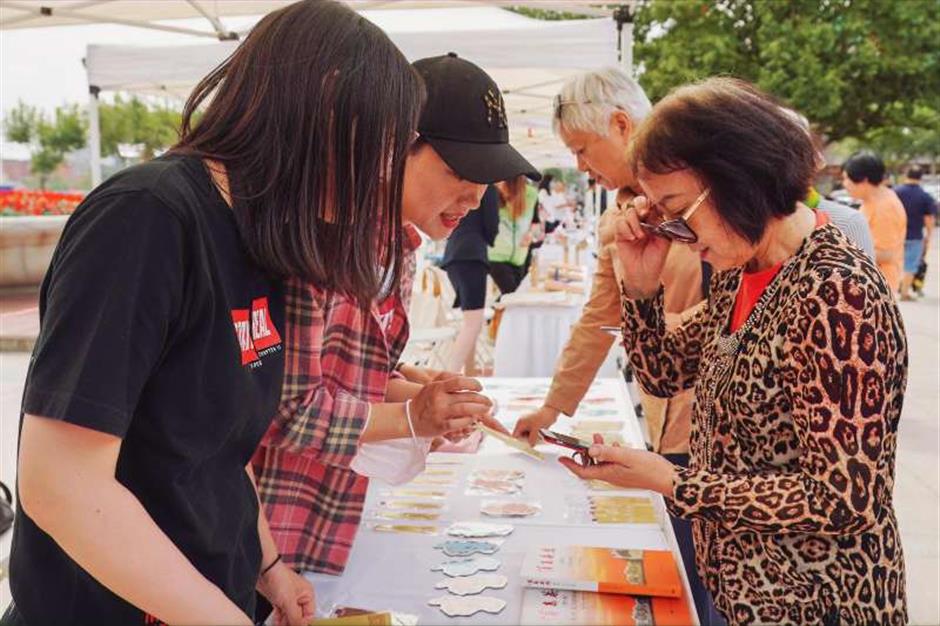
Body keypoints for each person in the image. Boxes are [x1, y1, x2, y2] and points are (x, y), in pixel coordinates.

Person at [3, 2, 429, 624]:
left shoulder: (259, 241)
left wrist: (269, 567)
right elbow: (62, 482)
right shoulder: (146, 219)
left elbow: (217, 446)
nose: (383, 176)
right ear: (326, 114)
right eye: (383, 149)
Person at [563, 77, 907, 625]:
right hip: (744, 587)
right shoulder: (742, 270)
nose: (674, 231)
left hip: (814, 600)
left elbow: (843, 499)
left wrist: (674, 480)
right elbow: (663, 373)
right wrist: (643, 291)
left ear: (735, 179)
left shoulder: (834, 291)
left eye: (676, 207)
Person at [252, 52, 540, 576]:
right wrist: (414, 415)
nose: (475, 198)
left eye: (485, 179)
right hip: (270, 528)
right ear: (391, 149)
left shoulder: (401, 246)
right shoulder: (313, 243)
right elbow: (283, 407)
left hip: (336, 514)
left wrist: (423, 395)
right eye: (457, 171)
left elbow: (353, 375)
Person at [512, 66, 717, 625]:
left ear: (622, 125)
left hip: (721, 437)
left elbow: (737, 317)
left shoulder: (708, 197)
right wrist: (554, 407)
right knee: (683, 573)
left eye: (582, 149)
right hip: (665, 428)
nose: (579, 166)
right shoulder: (622, 214)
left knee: (713, 582)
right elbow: (601, 315)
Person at [441, 185, 500, 373]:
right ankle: (449, 377)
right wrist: (489, 239)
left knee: (470, 321)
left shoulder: (461, 181)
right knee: (473, 323)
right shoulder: (487, 187)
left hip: (453, 254)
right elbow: (492, 224)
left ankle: (470, 372)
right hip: (472, 256)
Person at [843, 151, 907, 293]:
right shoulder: (872, 200)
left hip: (878, 287)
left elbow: (887, 254)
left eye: (847, 179)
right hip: (868, 281)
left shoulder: (885, 208)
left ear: (864, 180)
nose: (844, 184)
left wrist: (842, 250)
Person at [488, 175, 540, 295]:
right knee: (512, 295)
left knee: (516, 296)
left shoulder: (531, 194)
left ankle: (499, 311)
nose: (498, 185)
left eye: (502, 182)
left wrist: (530, 234)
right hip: (495, 256)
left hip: (520, 256)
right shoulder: (492, 194)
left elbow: (535, 222)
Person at [895, 166, 937, 300]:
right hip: (915, 236)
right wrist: (929, 235)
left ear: (906, 174)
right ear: (920, 177)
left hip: (895, 235)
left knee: (895, 264)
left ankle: (893, 289)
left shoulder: (895, 192)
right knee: (910, 266)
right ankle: (904, 293)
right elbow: (929, 219)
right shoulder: (925, 196)